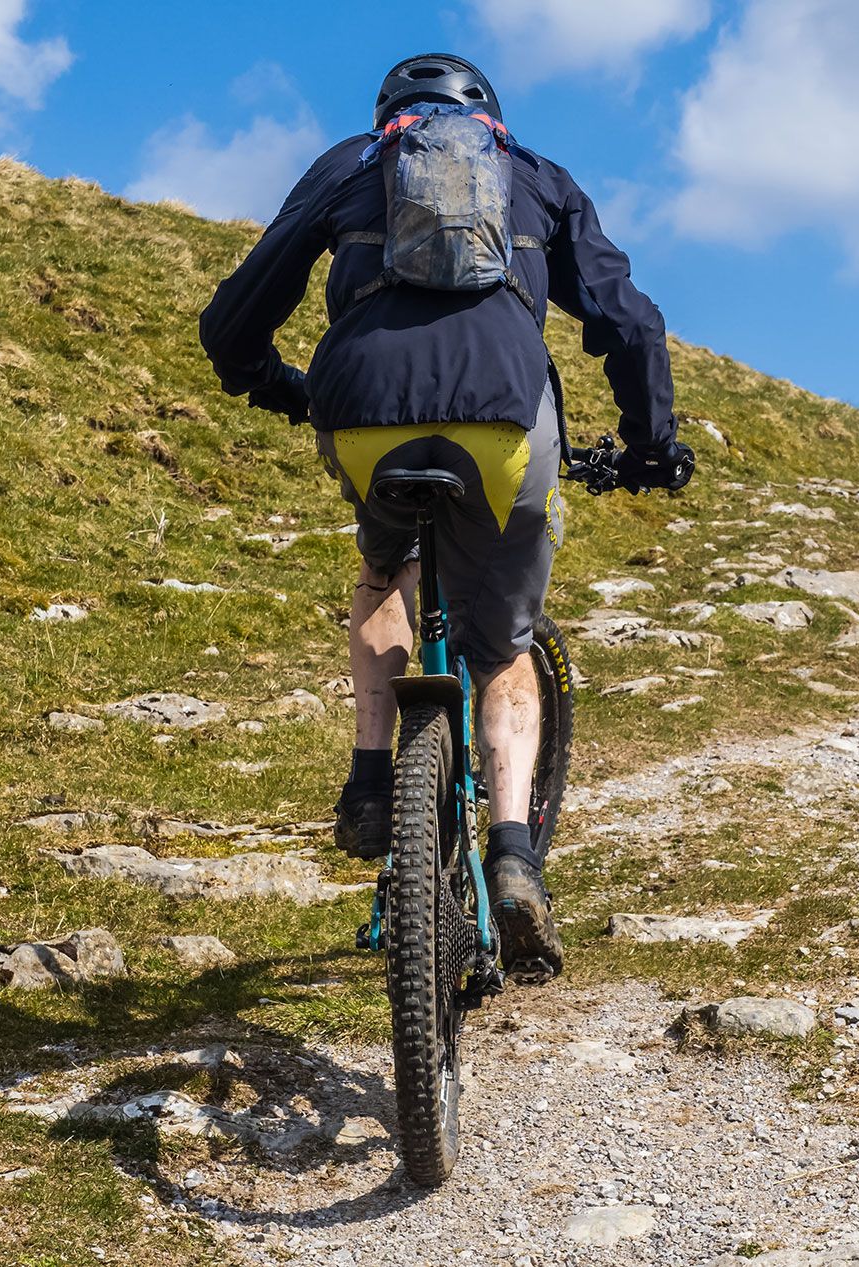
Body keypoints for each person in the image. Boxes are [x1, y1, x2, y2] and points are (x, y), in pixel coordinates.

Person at [199, 53, 691, 981]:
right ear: (486, 118)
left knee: (384, 575)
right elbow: (629, 322)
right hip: (504, 420)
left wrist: (275, 386)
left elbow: (234, 318)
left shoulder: (350, 166)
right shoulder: (536, 176)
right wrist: (652, 445)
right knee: (501, 647)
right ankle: (512, 854)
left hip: (362, 413)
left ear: (394, 117)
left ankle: (372, 777)